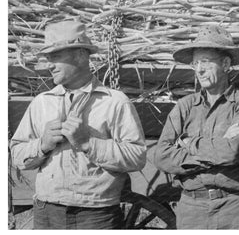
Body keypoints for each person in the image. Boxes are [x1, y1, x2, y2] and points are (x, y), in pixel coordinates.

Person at [10, 21, 147, 229]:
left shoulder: (114, 102)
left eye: (55, 57)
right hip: (47, 213)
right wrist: (43, 145)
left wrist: (87, 142)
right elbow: (18, 155)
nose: (49, 65)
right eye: (48, 59)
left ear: (81, 55)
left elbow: (137, 157)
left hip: (96, 216)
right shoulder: (42, 102)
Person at [153, 25, 239, 229]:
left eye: (205, 62)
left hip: (233, 209)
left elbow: (231, 151)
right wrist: (215, 152)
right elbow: (161, 156)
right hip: (191, 209)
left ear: (226, 64)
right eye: (195, 63)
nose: (199, 69)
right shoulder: (185, 106)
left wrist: (188, 143)